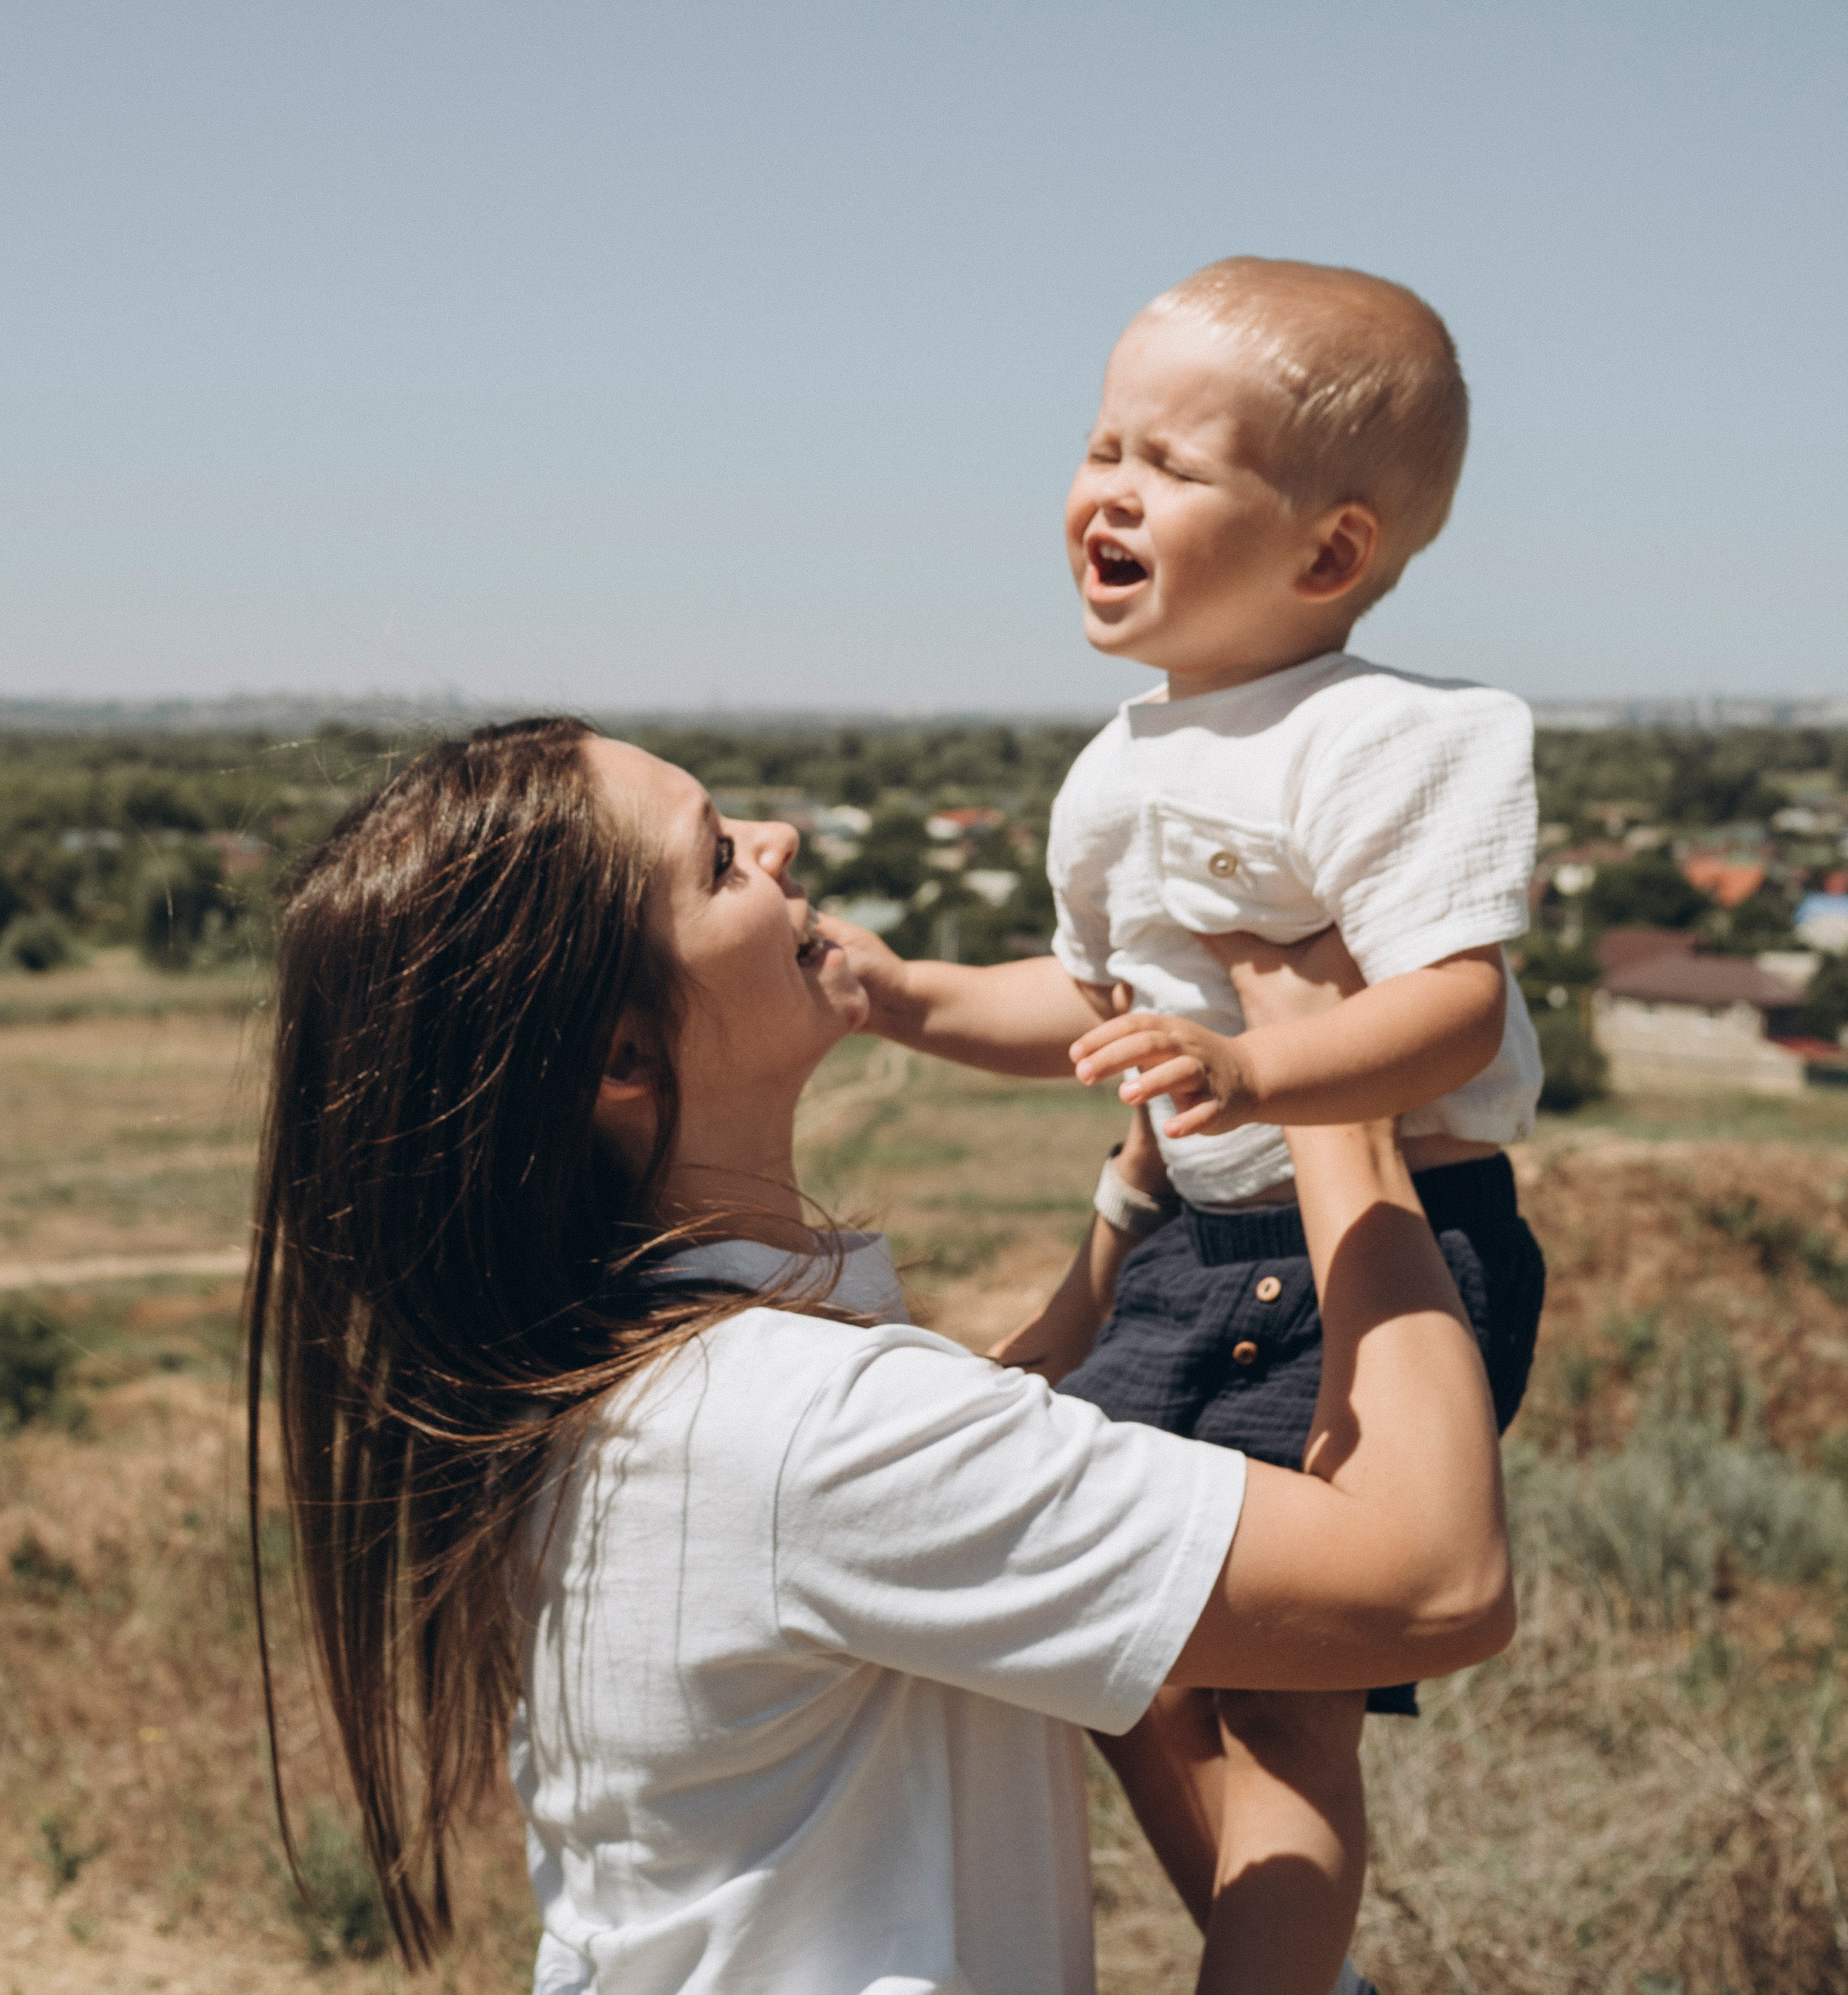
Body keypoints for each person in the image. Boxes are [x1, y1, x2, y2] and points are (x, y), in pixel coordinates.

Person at [246, 716, 1514, 1994]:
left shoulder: (599, 1387)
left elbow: (968, 1456)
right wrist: (1336, 1102)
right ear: (623, 1057)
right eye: (719, 860)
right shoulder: (805, 1428)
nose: (779, 840)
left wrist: (1128, 1209)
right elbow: (1438, 1579)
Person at [839, 258, 1546, 1995]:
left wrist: (1256, 1072)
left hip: (1382, 1250)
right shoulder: (1118, 768)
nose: (1107, 490)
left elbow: (1450, 1004)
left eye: (1168, 463)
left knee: (1290, 1705)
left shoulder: (1402, 738)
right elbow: (1092, 1001)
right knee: (1117, 1645)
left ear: (1328, 551)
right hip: (1189, 1261)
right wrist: (911, 995)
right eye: (1100, 446)